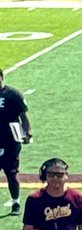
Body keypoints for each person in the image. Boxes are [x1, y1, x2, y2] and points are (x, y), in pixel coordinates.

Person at [0, 68, 31, 213]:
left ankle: (15, 202)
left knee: (11, 173)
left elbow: (23, 116)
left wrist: (27, 132)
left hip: (11, 140)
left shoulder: (13, 94)